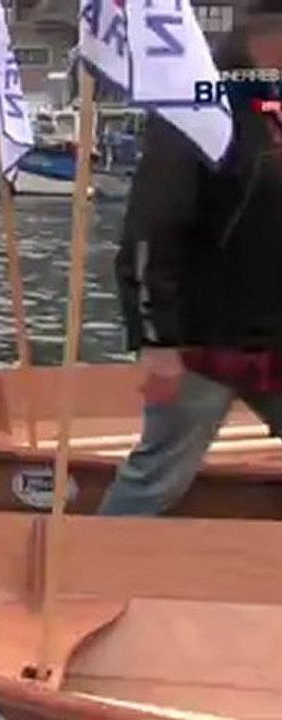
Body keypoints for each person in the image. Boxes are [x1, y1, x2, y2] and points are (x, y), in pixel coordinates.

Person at [99, 8, 282, 516]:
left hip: (273, 330)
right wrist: (157, 341)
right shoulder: (198, 105)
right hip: (204, 336)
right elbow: (151, 228)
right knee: (155, 479)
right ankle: (90, 571)